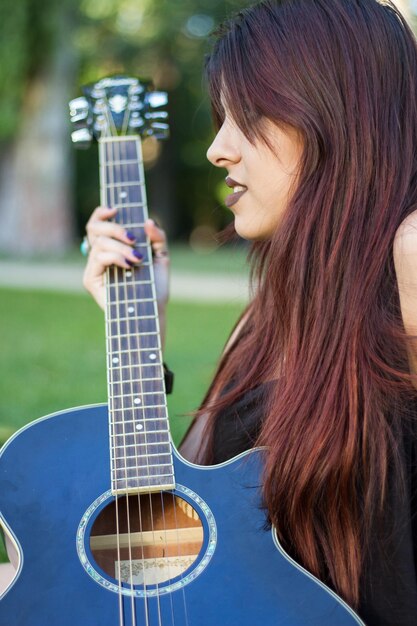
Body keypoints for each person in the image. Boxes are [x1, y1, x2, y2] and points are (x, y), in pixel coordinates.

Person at [83, 1, 417, 623]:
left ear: (339, 117)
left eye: (250, 115)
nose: (216, 148)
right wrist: (139, 329)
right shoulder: (269, 316)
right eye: (221, 117)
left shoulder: (410, 267)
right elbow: (174, 533)